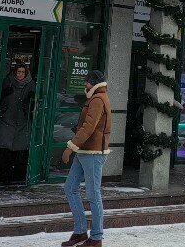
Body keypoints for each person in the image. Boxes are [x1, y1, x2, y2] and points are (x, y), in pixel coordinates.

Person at [62, 70, 112, 247]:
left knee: (93, 194)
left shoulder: (98, 99)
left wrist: (71, 146)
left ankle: (96, 237)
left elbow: (89, 127)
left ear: (94, 83)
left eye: (88, 82)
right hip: (85, 151)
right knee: (70, 188)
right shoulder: (94, 98)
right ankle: (80, 231)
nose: (85, 84)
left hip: (93, 153)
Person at [0, 63, 35, 185]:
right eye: (18, 72)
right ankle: (4, 175)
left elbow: (34, 103)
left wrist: (32, 100)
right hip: (7, 119)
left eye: (23, 72)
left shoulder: (30, 84)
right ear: (14, 72)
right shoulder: (8, 82)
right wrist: (4, 95)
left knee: (18, 149)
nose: (20, 74)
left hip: (22, 121)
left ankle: (16, 174)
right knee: (5, 149)